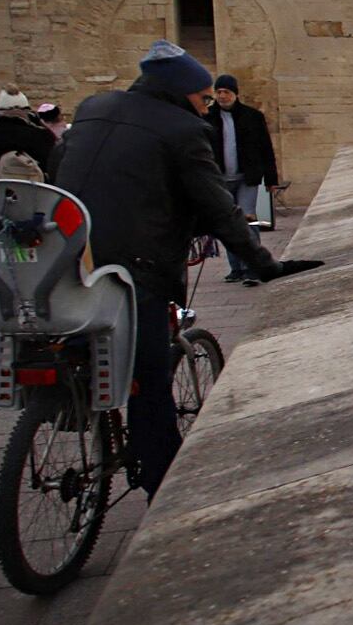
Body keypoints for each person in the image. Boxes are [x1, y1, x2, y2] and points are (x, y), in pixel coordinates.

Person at [51, 40, 319, 495]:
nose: (205, 108)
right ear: (181, 91)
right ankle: (164, 489)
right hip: (134, 268)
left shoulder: (94, 107)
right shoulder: (181, 129)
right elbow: (218, 206)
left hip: (68, 258)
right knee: (149, 381)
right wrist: (265, 263)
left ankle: (69, 405)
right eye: (202, 98)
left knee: (87, 348)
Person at [207, 75, 280, 282]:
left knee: (248, 220)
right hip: (220, 180)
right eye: (219, 92)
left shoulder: (252, 116)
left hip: (247, 178)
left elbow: (266, 148)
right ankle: (236, 268)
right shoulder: (208, 117)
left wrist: (271, 178)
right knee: (228, 224)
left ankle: (254, 266)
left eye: (226, 92)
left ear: (235, 94)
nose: (222, 96)